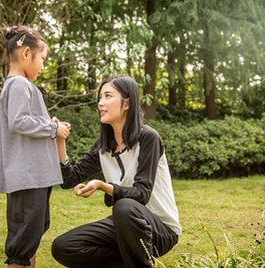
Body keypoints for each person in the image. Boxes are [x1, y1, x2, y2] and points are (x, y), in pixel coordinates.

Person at [51, 75, 182, 267]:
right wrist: (59, 141)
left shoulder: (148, 138)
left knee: (124, 207)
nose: (100, 103)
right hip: (124, 223)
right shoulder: (103, 146)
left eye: (108, 96)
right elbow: (69, 179)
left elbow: (142, 194)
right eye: (100, 97)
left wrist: (103, 186)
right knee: (63, 247)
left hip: (160, 230)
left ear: (127, 103)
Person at [0, 26, 70, 268]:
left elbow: (25, 120)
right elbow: (18, 121)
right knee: (23, 241)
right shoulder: (18, 84)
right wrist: (51, 129)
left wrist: (49, 124)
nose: (43, 67)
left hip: (35, 177)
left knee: (32, 234)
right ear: (26, 53)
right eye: (42, 59)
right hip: (27, 178)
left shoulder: (21, 85)